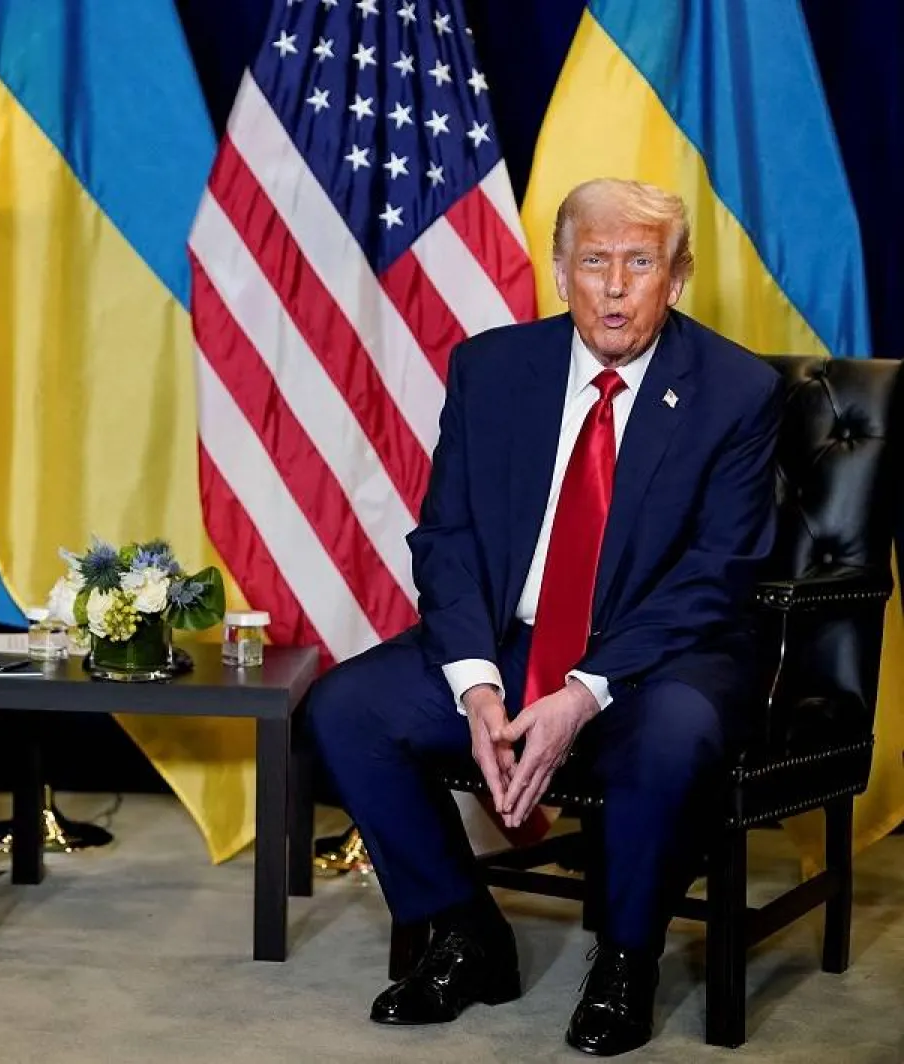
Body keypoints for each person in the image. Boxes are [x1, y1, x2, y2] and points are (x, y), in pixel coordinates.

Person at [309, 178, 783, 1057]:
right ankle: (465, 934)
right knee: (348, 706)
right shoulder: (491, 369)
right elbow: (446, 536)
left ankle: (626, 962)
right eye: (594, 261)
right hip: (512, 638)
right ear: (561, 274)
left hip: (664, 655)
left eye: (639, 263)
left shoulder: (736, 391)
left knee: (674, 734)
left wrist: (582, 692)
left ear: (675, 280)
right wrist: (477, 684)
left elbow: (718, 575)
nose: (613, 286)